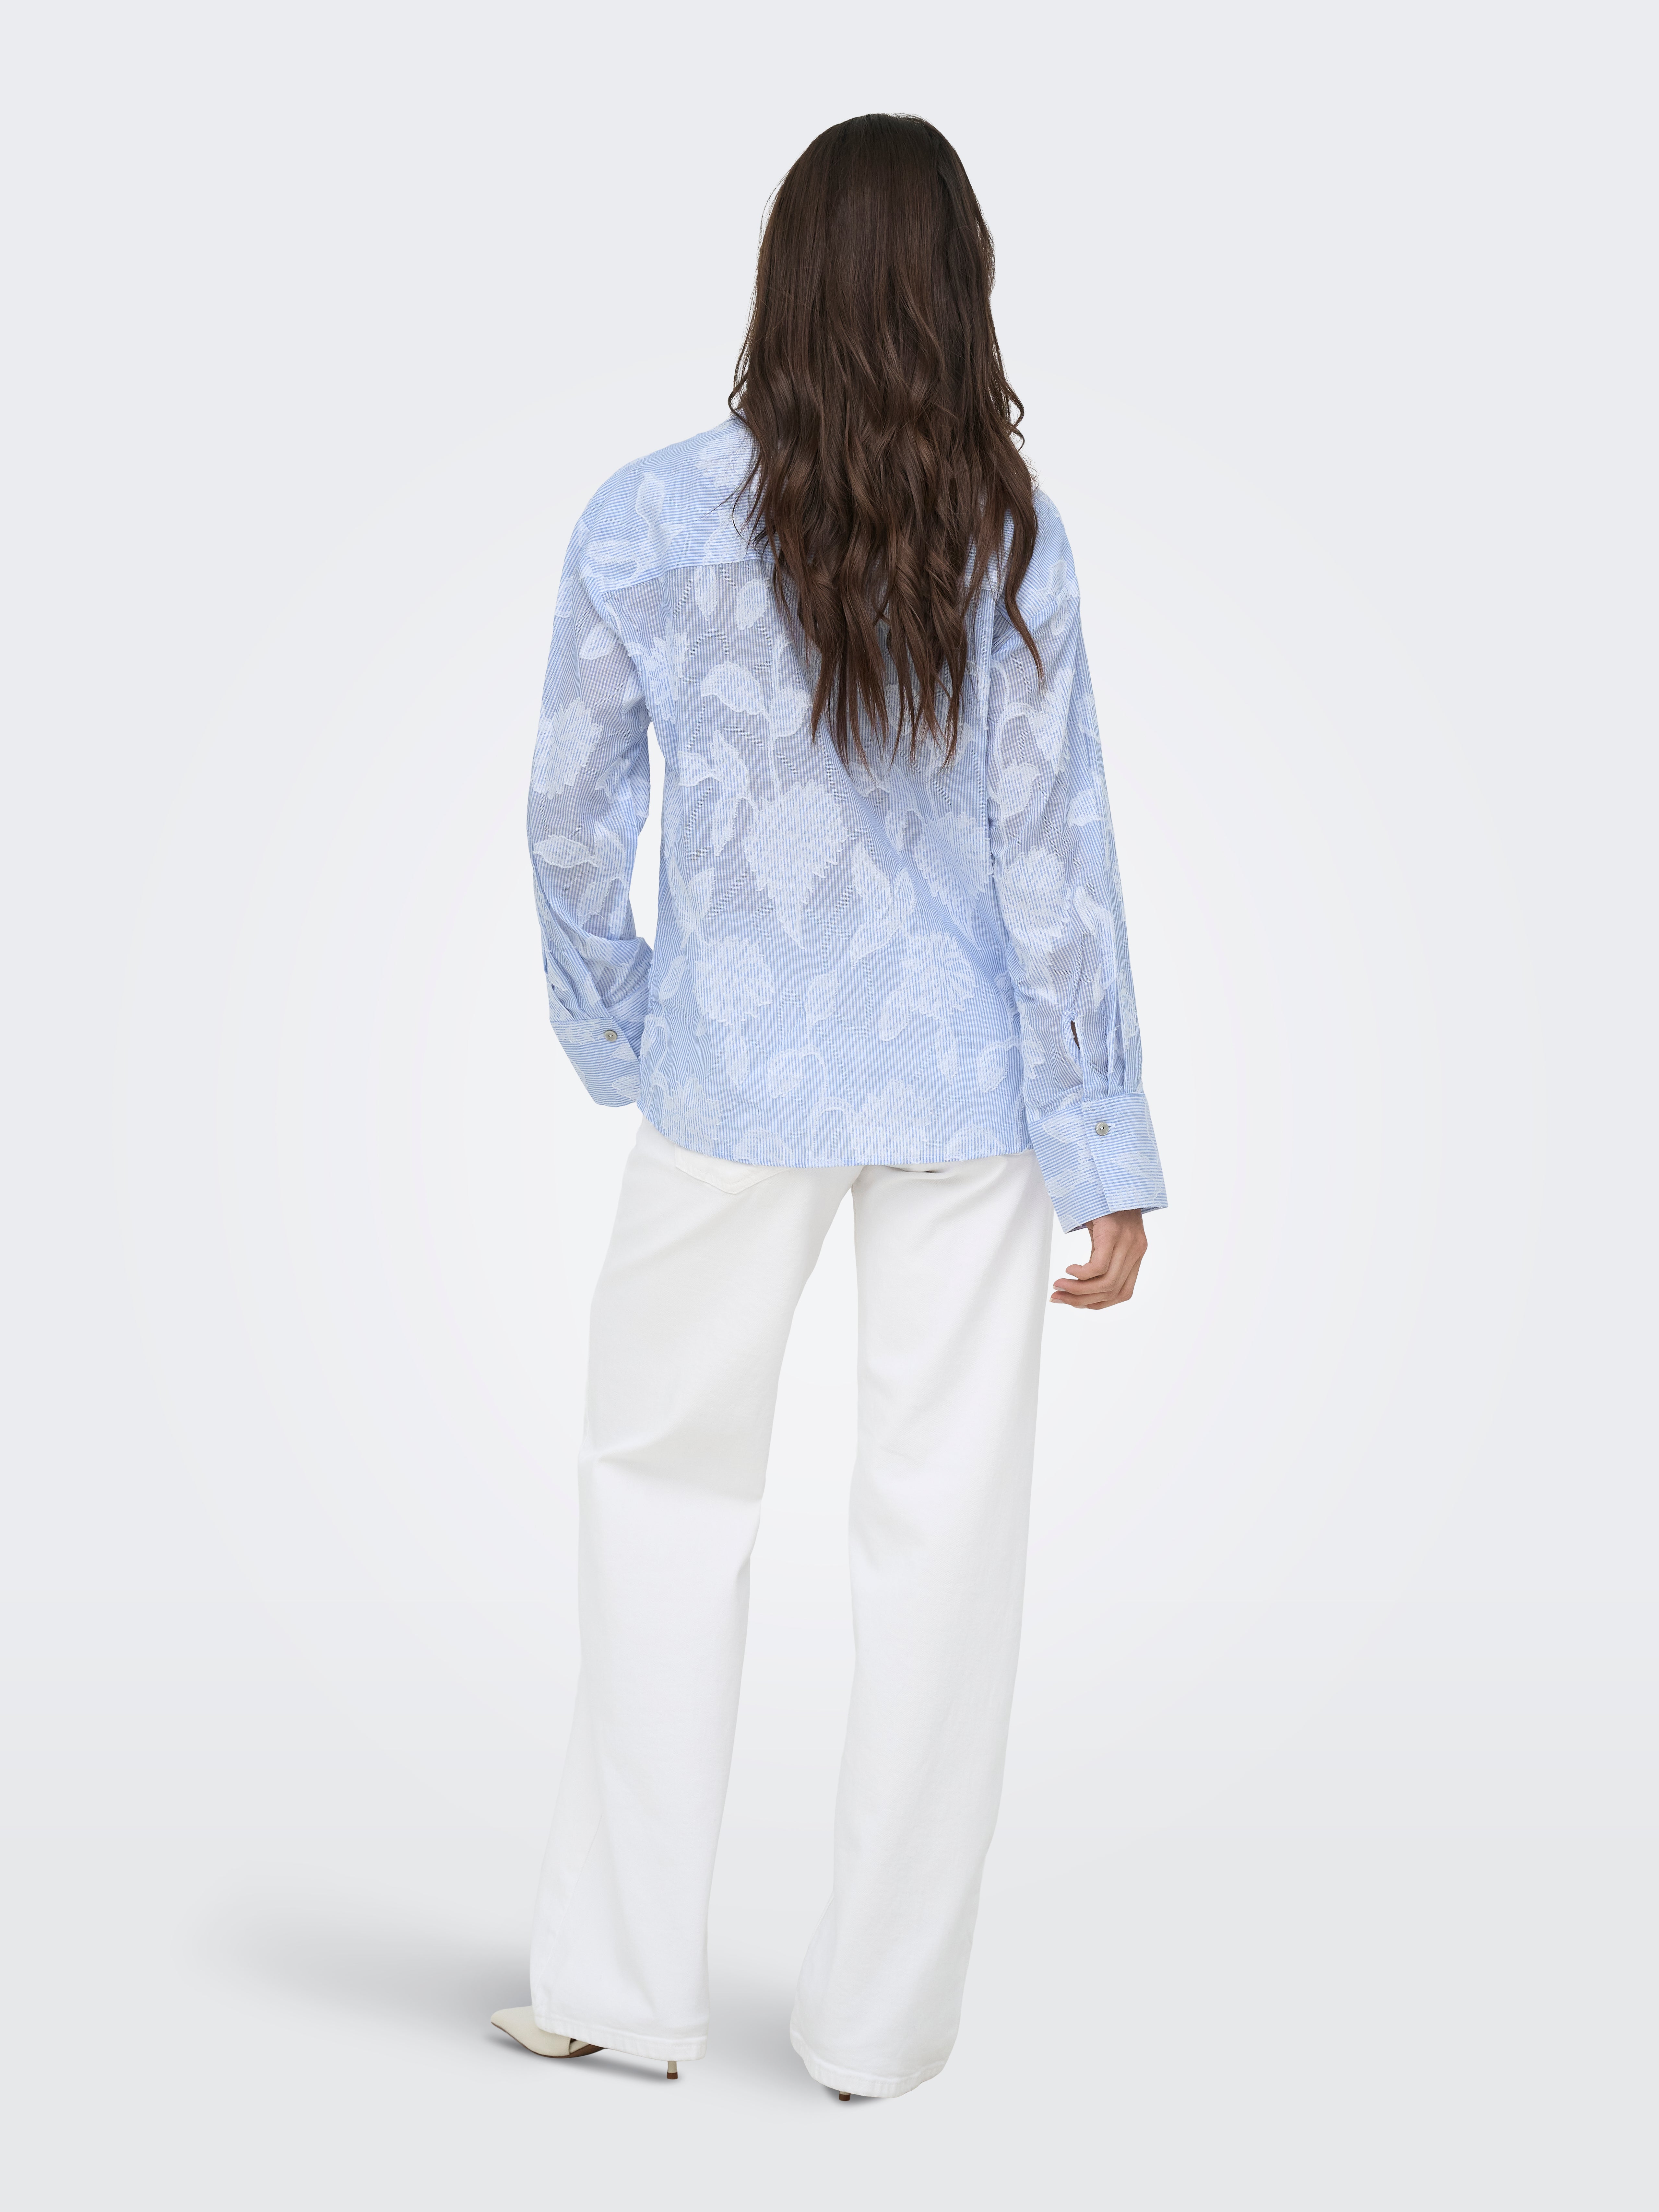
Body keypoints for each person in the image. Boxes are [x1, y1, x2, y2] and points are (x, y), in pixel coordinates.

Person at [491, 112, 1167, 2101]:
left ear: (779, 282)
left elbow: (567, 816)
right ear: (961, 294)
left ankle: (619, 1987)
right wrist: (1105, 1143)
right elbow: (1058, 862)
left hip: (724, 1085)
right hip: (967, 1100)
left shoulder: (644, 520)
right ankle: (878, 2032)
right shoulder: (1009, 534)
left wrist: (621, 1027)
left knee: (656, 1495)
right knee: (945, 1543)